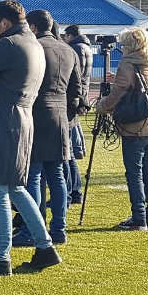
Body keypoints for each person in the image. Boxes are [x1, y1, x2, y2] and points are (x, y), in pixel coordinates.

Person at [0, 0, 61, 276]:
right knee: (16, 188)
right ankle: (44, 247)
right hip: (19, 119)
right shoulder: (33, 44)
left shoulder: (9, 44)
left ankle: (0, 256)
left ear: (5, 22)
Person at [12, 10, 82, 247]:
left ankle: (34, 229)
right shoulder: (69, 50)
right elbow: (77, 90)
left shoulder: (34, 47)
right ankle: (59, 229)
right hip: (60, 116)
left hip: (36, 114)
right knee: (57, 176)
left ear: (32, 27)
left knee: (33, 175)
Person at [96, 28, 148, 230]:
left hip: (134, 125)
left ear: (129, 45)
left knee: (134, 173)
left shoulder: (128, 63)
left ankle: (139, 218)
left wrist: (102, 105)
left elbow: (118, 92)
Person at [63, 24, 92, 204]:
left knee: (69, 151)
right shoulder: (87, 47)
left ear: (71, 35)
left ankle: (73, 191)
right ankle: (74, 191)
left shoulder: (76, 49)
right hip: (80, 98)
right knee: (71, 150)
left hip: (73, 101)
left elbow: (75, 77)